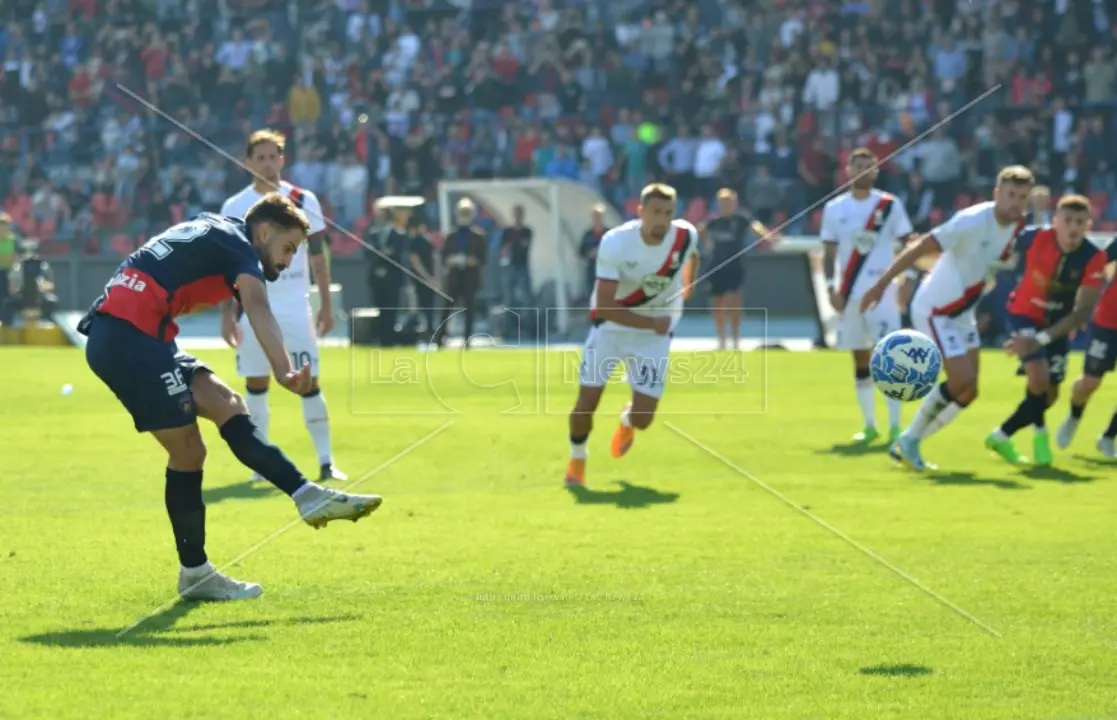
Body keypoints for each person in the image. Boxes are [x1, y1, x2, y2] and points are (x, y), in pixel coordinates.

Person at [78, 194, 382, 602]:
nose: (289, 260)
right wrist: (284, 371)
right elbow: (257, 306)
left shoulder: (219, 231)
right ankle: (197, 574)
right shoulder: (239, 244)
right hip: (127, 335)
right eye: (288, 248)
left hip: (142, 332)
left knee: (227, 403)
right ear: (264, 232)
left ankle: (306, 497)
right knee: (188, 450)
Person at [860, 165, 1034, 471]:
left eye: (1022, 197)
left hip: (961, 312)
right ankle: (909, 441)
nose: (1015, 203)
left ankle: (908, 443)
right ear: (996, 194)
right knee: (961, 379)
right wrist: (880, 285)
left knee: (970, 391)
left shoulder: (1016, 225)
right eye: (1010, 195)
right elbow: (920, 247)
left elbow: (988, 260)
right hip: (935, 309)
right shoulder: (971, 221)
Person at [219, 129, 347, 484]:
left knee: (310, 381)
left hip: (295, 306)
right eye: (259, 157)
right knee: (256, 385)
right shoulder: (233, 207)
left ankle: (326, 462)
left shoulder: (303, 199)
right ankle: (261, 467)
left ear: (282, 159)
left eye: (272, 156)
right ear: (247, 162)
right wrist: (227, 314)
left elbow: (319, 255)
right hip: (251, 309)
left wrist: (324, 304)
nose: (267, 163)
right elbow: (224, 265)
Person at [565, 183, 699, 487]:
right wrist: (652, 324)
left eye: (668, 213)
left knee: (644, 420)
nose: (661, 220)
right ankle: (577, 459)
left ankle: (627, 421)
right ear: (640, 212)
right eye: (655, 212)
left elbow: (692, 255)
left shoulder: (685, 235)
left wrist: (687, 286)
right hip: (611, 330)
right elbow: (605, 308)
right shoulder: (615, 243)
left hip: (654, 337)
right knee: (587, 402)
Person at [988, 195, 1106, 466]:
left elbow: (1083, 311)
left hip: (1056, 325)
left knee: (1050, 394)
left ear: (1089, 224)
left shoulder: (1093, 257)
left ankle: (1001, 435)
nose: (1073, 228)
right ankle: (1040, 437)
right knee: (1039, 380)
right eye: (1067, 221)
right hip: (1023, 314)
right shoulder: (1033, 238)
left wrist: (1040, 339)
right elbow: (998, 246)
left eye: (1080, 222)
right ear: (1055, 223)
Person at [821, 148, 915, 444]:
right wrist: (829, 286)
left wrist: (907, 279)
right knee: (860, 357)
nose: (864, 170)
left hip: (882, 291)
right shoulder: (835, 208)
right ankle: (870, 423)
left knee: (889, 357)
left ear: (877, 171)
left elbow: (908, 243)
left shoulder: (889, 205)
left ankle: (896, 426)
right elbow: (829, 251)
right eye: (858, 165)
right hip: (849, 294)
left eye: (869, 166)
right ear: (848, 170)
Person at [1054, 234, 1117, 458]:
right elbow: (1101, 263)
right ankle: (1074, 416)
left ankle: (1108, 437)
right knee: (1090, 382)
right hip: (1109, 321)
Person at [702, 188, 776, 351]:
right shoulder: (714, 222)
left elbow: (757, 228)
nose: (725, 206)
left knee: (734, 303)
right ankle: (721, 339)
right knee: (717, 304)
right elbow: (701, 232)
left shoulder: (741, 219)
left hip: (734, 267)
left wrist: (768, 237)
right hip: (716, 266)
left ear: (734, 203)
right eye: (722, 203)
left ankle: (735, 338)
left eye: (729, 202)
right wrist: (706, 244)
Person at [433, 198, 487, 349]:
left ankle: (467, 340)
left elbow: (483, 259)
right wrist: (452, 260)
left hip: (470, 277)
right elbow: (443, 257)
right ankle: (440, 338)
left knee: (469, 310)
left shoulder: (478, 236)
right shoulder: (451, 235)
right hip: (454, 277)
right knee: (446, 309)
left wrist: (471, 260)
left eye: (467, 212)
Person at [369, 205, 412, 347]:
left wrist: (387, 254)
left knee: (391, 309)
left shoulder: (398, 235)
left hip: (392, 279)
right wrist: (382, 254)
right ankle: (381, 339)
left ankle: (389, 339)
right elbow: (368, 253)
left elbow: (399, 255)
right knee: (380, 309)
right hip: (377, 278)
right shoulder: (373, 234)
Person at [1, 238, 58, 325]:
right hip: (22, 298)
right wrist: (20, 288)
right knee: (7, 304)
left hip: (39, 297)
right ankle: (8, 327)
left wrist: (41, 287)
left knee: (52, 301)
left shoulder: (43, 267)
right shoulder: (17, 268)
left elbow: (50, 286)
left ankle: (48, 322)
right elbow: (12, 289)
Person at [407, 213, 438, 344]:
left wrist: (430, 277)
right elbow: (415, 260)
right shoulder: (418, 241)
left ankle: (429, 331)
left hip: (424, 278)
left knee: (426, 306)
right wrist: (429, 277)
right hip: (422, 279)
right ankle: (426, 331)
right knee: (425, 306)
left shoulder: (422, 241)